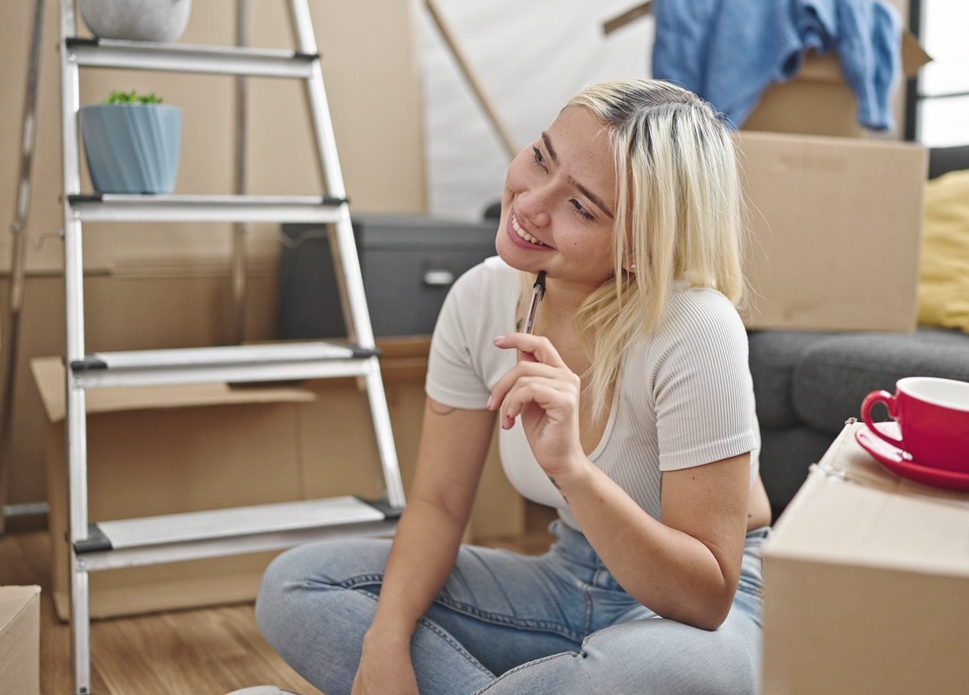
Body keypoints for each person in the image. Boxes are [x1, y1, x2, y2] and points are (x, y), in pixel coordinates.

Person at [255, 79, 771, 695]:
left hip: (702, 611)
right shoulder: (480, 297)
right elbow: (439, 505)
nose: (530, 203)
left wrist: (575, 473)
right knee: (299, 585)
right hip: (565, 578)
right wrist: (385, 642)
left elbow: (707, 596)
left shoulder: (694, 325)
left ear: (637, 247)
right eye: (541, 158)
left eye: (581, 207)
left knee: (678, 673)